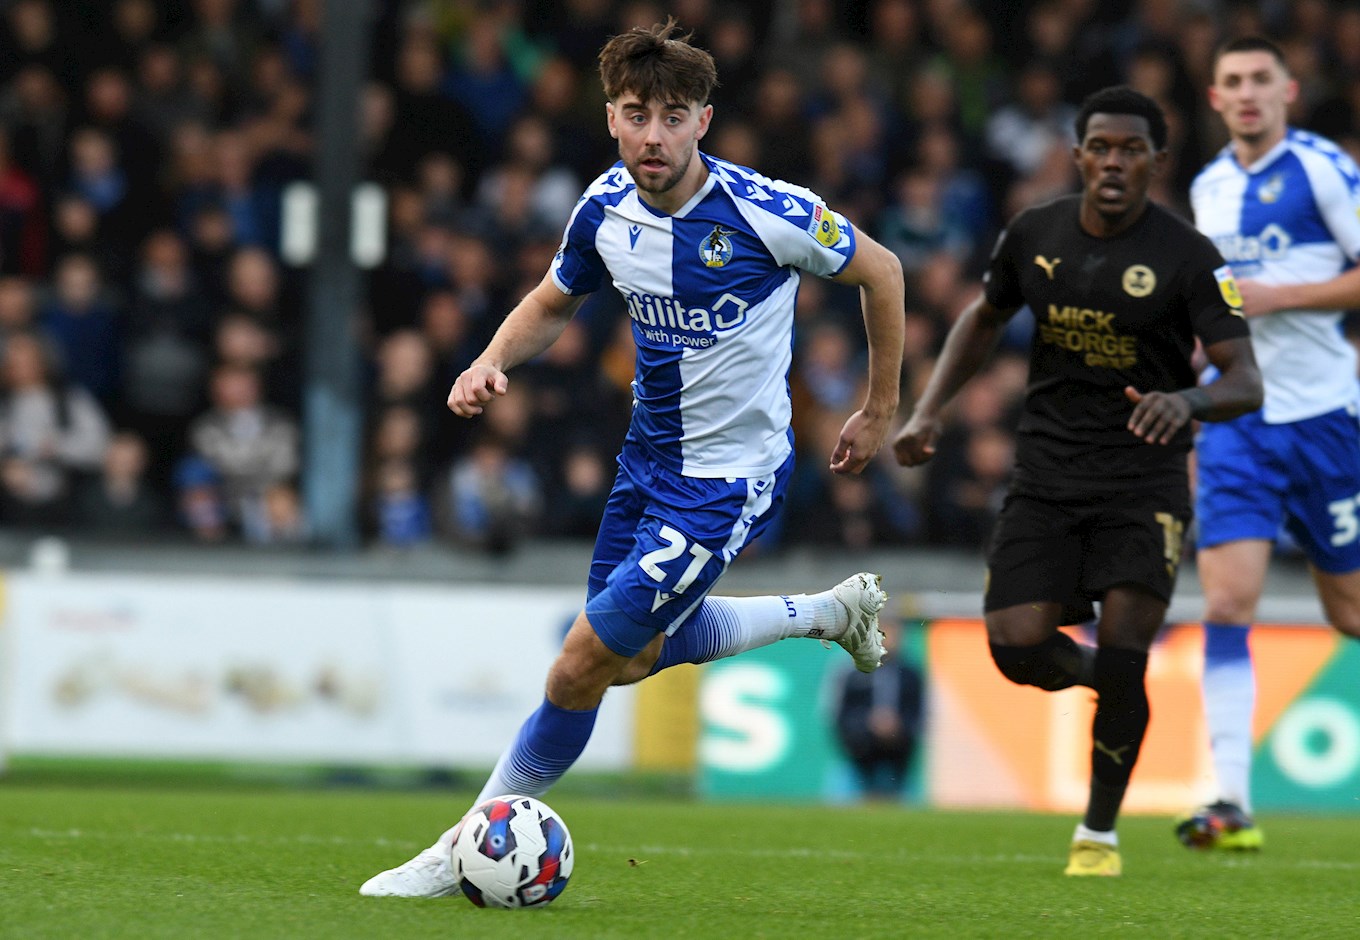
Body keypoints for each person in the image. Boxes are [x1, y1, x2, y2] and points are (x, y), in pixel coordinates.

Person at [360, 19, 905, 898]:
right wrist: (490, 359)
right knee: (632, 660)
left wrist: (877, 409)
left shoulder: (764, 212)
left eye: (673, 116)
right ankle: (827, 615)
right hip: (644, 465)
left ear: (704, 122)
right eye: (635, 114)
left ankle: (458, 845)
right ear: (612, 118)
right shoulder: (604, 210)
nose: (654, 135)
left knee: (579, 661)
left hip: (727, 484)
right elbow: (550, 300)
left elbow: (883, 271)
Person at [892, 86, 1262, 877]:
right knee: (1015, 645)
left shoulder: (1190, 257)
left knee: (1128, 638)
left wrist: (1186, 398)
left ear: (1156, 163)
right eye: (1102, 146)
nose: (1115, 161)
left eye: (1133, 149)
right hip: (1047, 476)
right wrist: (928, 411)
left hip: (1143, 484)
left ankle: (1097, 835)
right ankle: (1118, 688)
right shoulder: (1035, 233)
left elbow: (1246, 381)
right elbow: (983, 317)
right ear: (1080, 155)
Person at [1180, 37, 1360, 852]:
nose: (1248, 94)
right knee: (1226, 604)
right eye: (1233, 83)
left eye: (1261, 80)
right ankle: (1230, 802)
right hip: (1240, 420)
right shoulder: (1209, 188)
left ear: (1288, 89)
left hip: (1326, 417)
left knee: (1347, 612)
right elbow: (1217, 303)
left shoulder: (1322, 168)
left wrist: (1276, 297)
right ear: (1215, 99)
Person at [833, 619, 925, 800]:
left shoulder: (910, 673)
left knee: (897, 788)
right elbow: (842, 710)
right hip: (863, 741)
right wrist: (866, 724)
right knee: (862, 786)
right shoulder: (853, 671)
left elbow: (918, 709)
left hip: (900, 740)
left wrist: (901, 726)